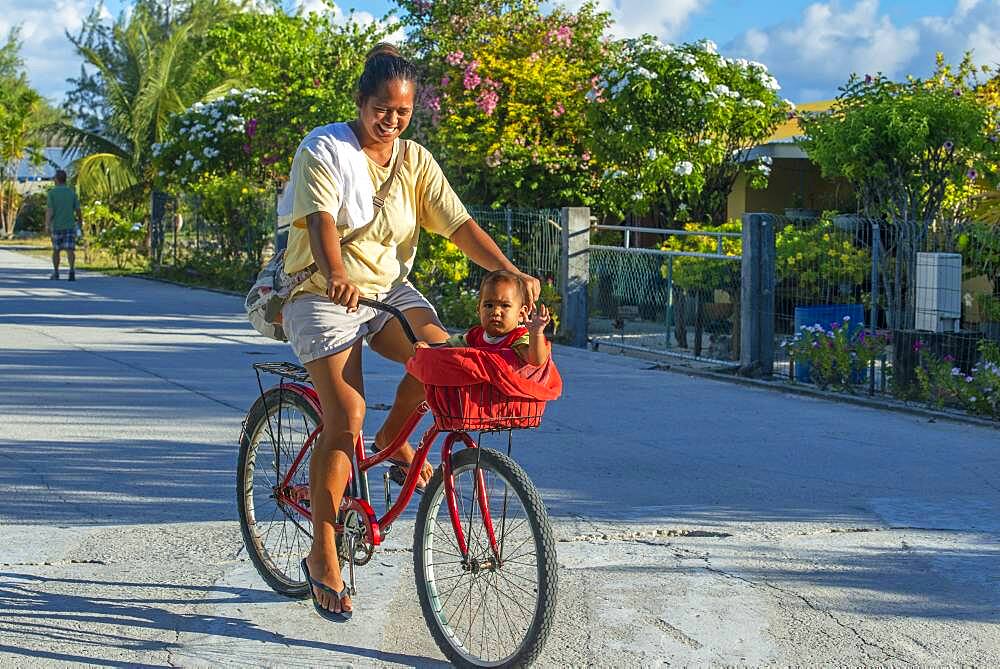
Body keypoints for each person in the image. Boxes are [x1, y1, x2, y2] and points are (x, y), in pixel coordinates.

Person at [279, 43, 540, 621]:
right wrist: (338, 273)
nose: (391, 121)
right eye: (381, 109)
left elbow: (461, 226)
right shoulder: (324, 149)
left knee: (445, 360)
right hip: (321, 290)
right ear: (360, 101)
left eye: (402, 112)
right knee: (345, 414)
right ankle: (323, 552)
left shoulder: (415, 162)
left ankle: (393, 451)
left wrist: (511, 274)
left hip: (386, 291)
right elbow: (321, 223)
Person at [439, 270, 552, 366]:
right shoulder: (475, 335)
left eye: (505, 305)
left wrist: (536, 333)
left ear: (522, 313)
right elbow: (451, 347)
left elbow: (536, 361)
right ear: (479, 310)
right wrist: (430, 350)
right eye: (489, 306)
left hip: (508, 391)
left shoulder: (519, 338)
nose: (496, 311)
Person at [45, 170, 82, 281]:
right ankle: (71, 270)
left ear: (56, 179)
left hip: (56, 226)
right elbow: (78, 209)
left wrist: (47, 224)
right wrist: (80, 221)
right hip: (69, 225)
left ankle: (56, 272)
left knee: (56, 250)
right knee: (70, 249)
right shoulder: (72, 192)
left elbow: (50, 210)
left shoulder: (52, 193)